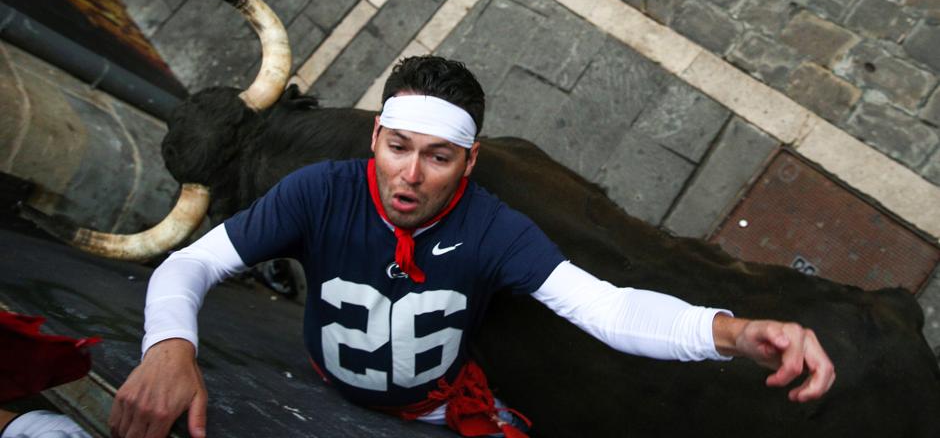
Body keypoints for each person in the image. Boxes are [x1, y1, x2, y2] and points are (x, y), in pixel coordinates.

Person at [108, 56, 835, 438]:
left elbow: (609, 310)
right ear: (375, 137)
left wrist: (737, 332)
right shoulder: (317, 193)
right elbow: (193, 262)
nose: (409, 176)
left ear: (471, 161)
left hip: (439, 409)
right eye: (397, 147)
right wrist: (169, 346)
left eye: (438, 156)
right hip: (324, 388)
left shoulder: (494, 228)